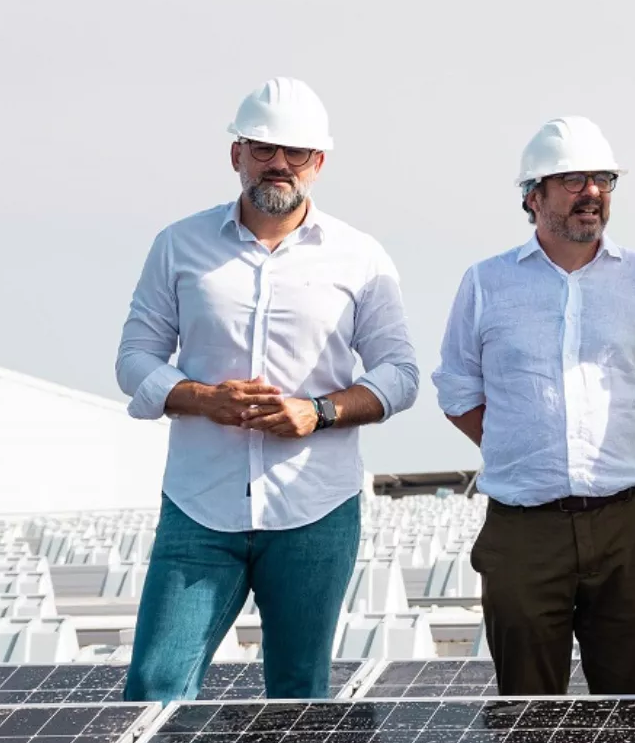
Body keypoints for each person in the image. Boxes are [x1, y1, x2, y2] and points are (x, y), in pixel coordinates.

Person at [115, 77, 418, 701]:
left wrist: (320, 411)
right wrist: (202, 399)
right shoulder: (178, 246)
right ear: (237, 155)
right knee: (154, 688)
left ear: (319, 164)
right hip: (201, 505)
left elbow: (400, 374)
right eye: (262, 148)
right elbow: (135, 358)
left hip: (315, 508)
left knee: (299, 696)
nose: (279, 163)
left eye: (296, 153)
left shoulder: (360, 256)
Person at [433, 116, 635, 695]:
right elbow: (458, 392)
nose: (593, 194)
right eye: (574, 179)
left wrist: (626, 448)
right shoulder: (485, 284)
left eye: (603, 179)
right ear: (533, 196)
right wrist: (527, 447)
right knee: (527, 716)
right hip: (524, 529)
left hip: (627, 523)